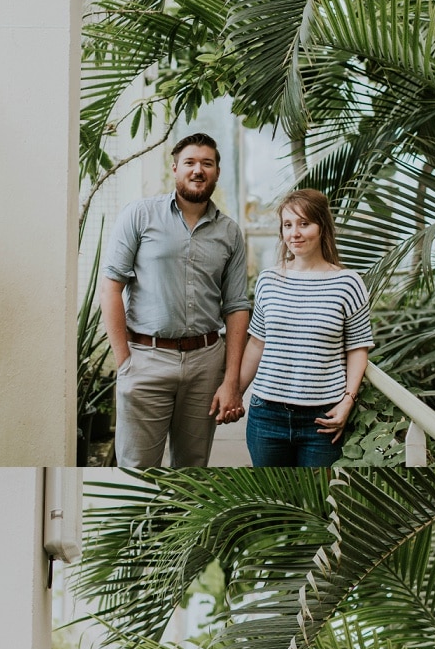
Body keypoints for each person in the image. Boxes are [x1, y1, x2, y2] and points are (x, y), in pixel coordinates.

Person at [99, 133, 251, 468]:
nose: (198, 170)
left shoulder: (229, 232)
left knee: (192, 472)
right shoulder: (139, 216)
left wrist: (230, 382)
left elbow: (237, 306)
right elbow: (110, 286)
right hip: (146, 360)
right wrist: (125, 362)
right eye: (190, 162)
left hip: (205, 364)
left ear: (216, 172)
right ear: (175, 169)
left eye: (207, 164)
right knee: (137, 470)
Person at [240, 188, 374, 467]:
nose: (294, 233)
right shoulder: (268, 280)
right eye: (288, 225)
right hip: (266, 415)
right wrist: (234, 392)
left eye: (304, 224)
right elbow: (256, 343)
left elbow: (358, 347)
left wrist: (348, 400)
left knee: (317, 503)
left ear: (322, 227)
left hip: (323, 421)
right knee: (270, 502)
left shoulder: (348, 283)